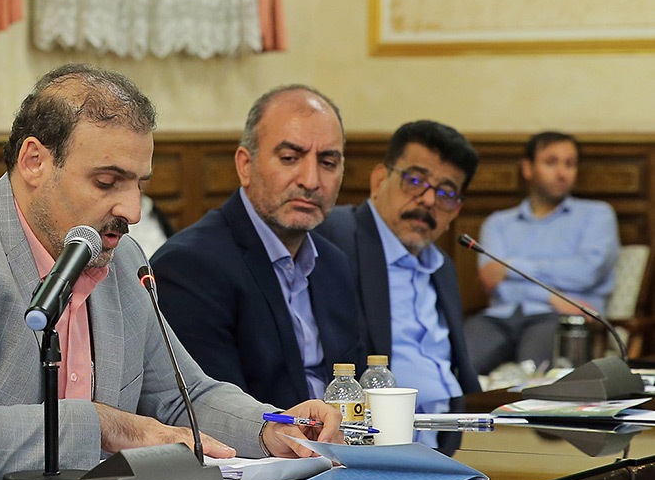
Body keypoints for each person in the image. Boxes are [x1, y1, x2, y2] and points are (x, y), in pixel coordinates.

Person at [0, 65, 341, 480]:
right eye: (107, 182)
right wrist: (105, 426)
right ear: (35, 161)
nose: (131, 211)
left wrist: (269, 428)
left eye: (138, 185)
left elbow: (182, 397)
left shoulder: (121, 258)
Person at [150, 85, 362, 409]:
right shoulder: (190, 266)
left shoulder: (334, 263)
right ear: (245, 165)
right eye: (290, 158)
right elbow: (215, 414)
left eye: (328, 162)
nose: (311, 180)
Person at [315, 121, 482, 451]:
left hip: (450, 443)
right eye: (415, 181)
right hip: (376, 447)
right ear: (379, 180)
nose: (428, 199)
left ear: (456, 211)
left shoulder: (442, 266)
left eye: (446, 193)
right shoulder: (334, 237)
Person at [465, 131, 620, 375]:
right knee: (456, 369)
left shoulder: (597, 215)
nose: (562, 172)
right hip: (499, 316)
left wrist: (510, 266)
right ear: (528, 168)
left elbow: (587, 272)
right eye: (551, 162)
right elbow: (492, 280)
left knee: (534, 379)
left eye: (570, 164)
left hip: (562, 319)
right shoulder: (498, 223)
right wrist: (552, 296)